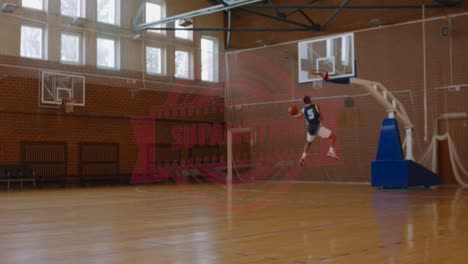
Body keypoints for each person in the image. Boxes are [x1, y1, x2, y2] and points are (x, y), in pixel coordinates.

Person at [292, 96, 339, 166]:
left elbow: (299, 116)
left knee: (309, 143)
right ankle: (331, 151)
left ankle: (303, 157)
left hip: (310, 129)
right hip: (318, 128)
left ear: (304, 102)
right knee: (334, 137)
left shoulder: (303, 109)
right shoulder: (316, 106)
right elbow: (322, 118)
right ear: (310, 100)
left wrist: (293, 115)